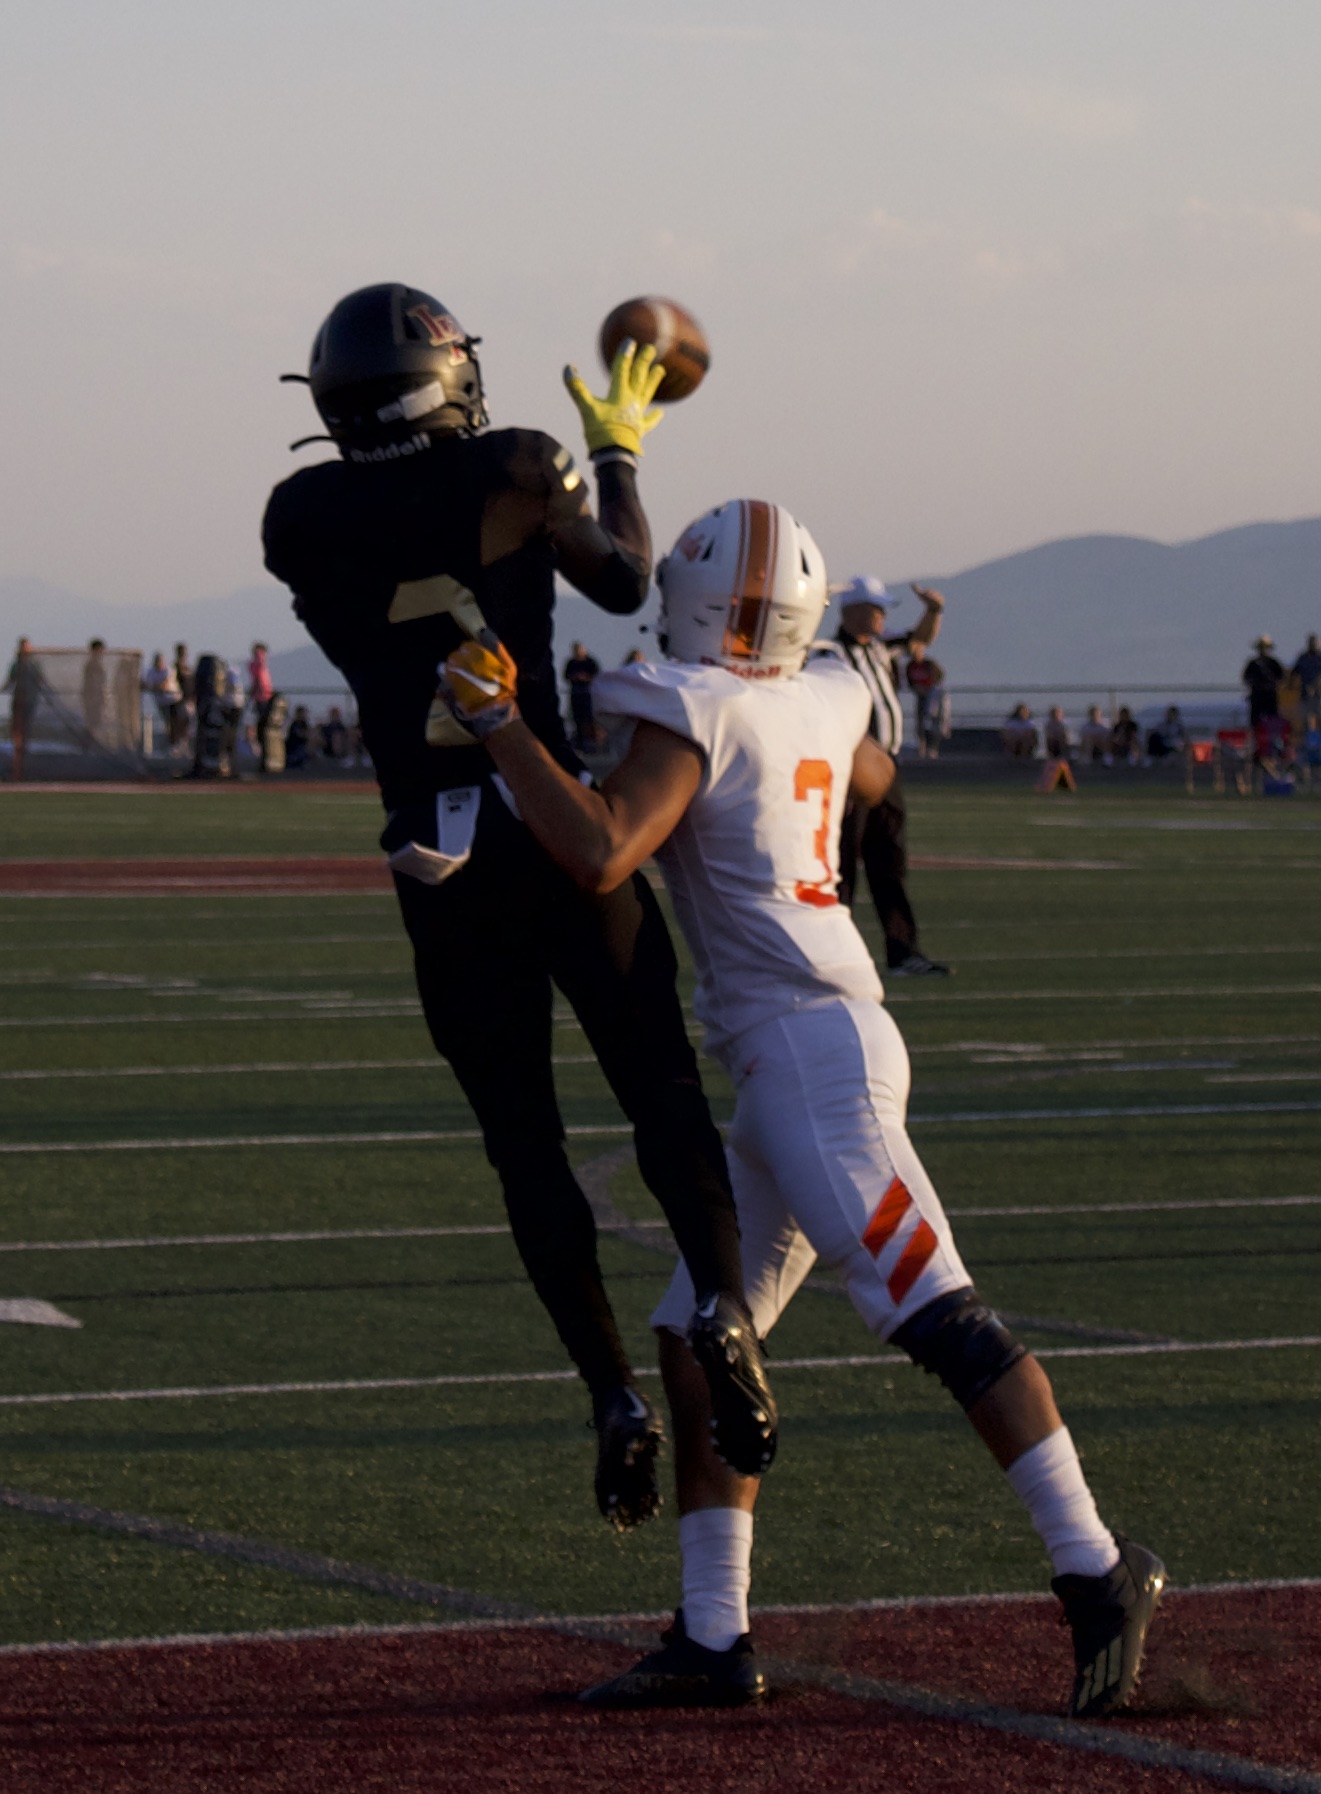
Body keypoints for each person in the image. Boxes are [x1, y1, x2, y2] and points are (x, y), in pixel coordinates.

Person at [437, 498, 1165, 1722]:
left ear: (700, 605)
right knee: (698, 1330)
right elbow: (874, 774)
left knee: (934, 1308)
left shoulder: (693, 710)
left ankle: (1097, 1566)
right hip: (801, 1046)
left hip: (813, 1052)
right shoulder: (821, 690)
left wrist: (498, 721)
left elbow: (604, 848)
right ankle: (713, 1635)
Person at [262, 282, 776, 1528]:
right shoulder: (515, 467)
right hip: (547, 827)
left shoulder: (298, 515)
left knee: (523, 1145)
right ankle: (720, 1306)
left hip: (433, 866)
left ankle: (609, 1392)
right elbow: (624, 580)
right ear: (450, 380)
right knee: (659, 1092)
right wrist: (613, 454)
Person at [833, 576, 949, 976]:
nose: (882, 617)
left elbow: (919, 641)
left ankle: (903, 952)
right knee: (842, 864)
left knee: (890, 860)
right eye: (875, 609)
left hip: (887, 768)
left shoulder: (881, 649)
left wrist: (933, 611)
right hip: (850, 772)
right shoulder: (829, 655)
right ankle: (834, 955)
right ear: (852, 611)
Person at [3, 637, 42, 779]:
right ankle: (16, 768)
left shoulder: (34, 665)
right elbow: (10, 681)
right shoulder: (17, 665)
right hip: (19, 702)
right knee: (17, 735)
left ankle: (21, 766)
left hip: (30, 702)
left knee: (26, 734)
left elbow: (40, 680)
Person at [903, 638, 947, 759]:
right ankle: (921, 747)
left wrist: (929, 687)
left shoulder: (929, 664)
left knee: (932, 720)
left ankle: (932, 748)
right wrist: (916, 688)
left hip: (931, 697)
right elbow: (909, 680)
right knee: (920, 721)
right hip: (920, 696)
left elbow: (940, 676)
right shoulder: (910, 666)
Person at [564, 641, 602, 748]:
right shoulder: (571, 662)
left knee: (588, 716)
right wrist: (576, 677)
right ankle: (579, 740)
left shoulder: (590, 662)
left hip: (588, 692)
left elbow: (597, 675)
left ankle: (590, 740)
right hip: (575, 692)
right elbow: (566, 676)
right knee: (577, 717)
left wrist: (586, 677)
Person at [142, 652, 181, 752]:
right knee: (166, 722)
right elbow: (146, 685)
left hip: (173, 700)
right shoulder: (151, 672)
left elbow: (164, 684)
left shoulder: (168, 670)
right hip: (161, 702)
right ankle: (169, 744)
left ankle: (175, 744)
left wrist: (155, 687)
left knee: (174, 721)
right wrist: (155, 687)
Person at [1242, 636, 1284, 727]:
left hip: (1270, 694)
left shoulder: (1273, 663)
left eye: (1265, 647)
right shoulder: (1253, 663)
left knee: (1273, 719)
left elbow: (1281, 676)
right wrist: (1255, 683)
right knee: (1255, 720)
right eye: (1261, 647)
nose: (1263, 649)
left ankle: (1273, 738)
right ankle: (1256, 738)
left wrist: (1274, 684)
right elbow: (1246, 677)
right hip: (1257, 694)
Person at [81, 638, 107, 746]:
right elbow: (90, 682)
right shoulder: (91, 665)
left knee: (96, 720)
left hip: (96, 696)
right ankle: (89, 742)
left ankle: (91, 742)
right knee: (92, 720)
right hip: (92, 697)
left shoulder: (97, 664)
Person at [1293, 633, 1321, 731]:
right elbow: (1295, 672)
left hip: (1318, 694)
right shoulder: (1303, 658)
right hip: (1305, 694)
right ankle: (1307, 740)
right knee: (1306, 718)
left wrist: (1316, 686)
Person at [170, 643, 194, 756]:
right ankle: (179, 745)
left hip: (190, 699)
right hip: (181, 699)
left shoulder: (187, 667)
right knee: (181, 722)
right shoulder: (176, 666)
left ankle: (184, 745)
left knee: (187, 723)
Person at [285, 703, 312, 769]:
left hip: (302, 748)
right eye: (302, 713)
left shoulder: (304, 724)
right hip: (294, 749)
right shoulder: (294, 724)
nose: (304, 715)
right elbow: (300, 735)